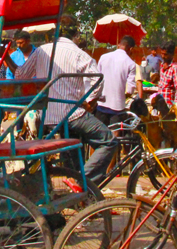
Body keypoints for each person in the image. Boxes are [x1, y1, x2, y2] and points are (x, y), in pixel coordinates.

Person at [8, 14, 114, 186]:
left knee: (72, 153)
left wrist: (5, 57)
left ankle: (74, 181)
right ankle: (81, 180)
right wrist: (90, 101)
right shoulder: (79, 54)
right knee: (108, 140)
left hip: (46, 116)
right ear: (75, 35)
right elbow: (98, 80)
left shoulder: (41, 51)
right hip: (72, 115)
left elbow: (20, 74)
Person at [96, 35, 143, 127]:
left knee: (100, 134)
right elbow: (130, 90)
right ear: (131, 48)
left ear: (119, 45)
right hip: (117, 106)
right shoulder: (131, 64)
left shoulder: (103, 57)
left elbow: (96, 80)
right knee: (115, 133)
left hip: (101, 104)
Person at [153, 41, 177, 117]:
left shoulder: (175, 68)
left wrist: (176, 105)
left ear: (171, 55)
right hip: (159, 104)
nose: (163, 56)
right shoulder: (162, 66)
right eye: (162, 54)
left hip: (169, 106)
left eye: (165, 54)